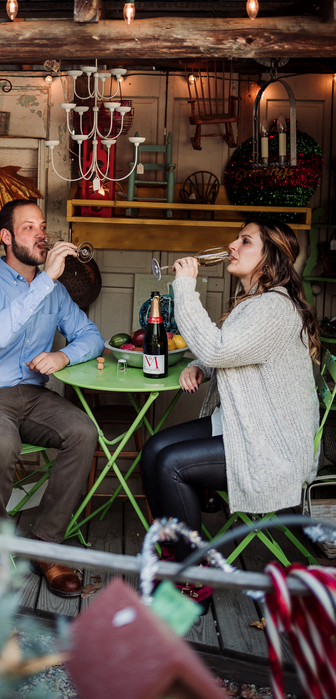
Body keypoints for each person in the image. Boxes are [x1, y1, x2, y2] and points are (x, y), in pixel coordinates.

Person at [141, 219, 320, 612]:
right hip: (244, 426)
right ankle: (174, 555)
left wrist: (185, 289)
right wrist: (202, 365)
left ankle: (193, 580)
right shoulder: (256, 302)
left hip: (272, 445)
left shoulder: (275, 306)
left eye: (244, 241)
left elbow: (225, 349)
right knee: (154, 448)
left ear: (271, 257)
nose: (231, 245)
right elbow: (231, 349)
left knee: (171, 465)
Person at [0, 199, 103, 598]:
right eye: (28, 228)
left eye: (42, 226)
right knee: (2, 442)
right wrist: (45, 282)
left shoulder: (54, 294)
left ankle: (44, 544)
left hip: (34, 395)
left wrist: (63, 355)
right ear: (6, 237)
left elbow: (93, 337)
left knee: (83, 431)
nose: (41, 234)